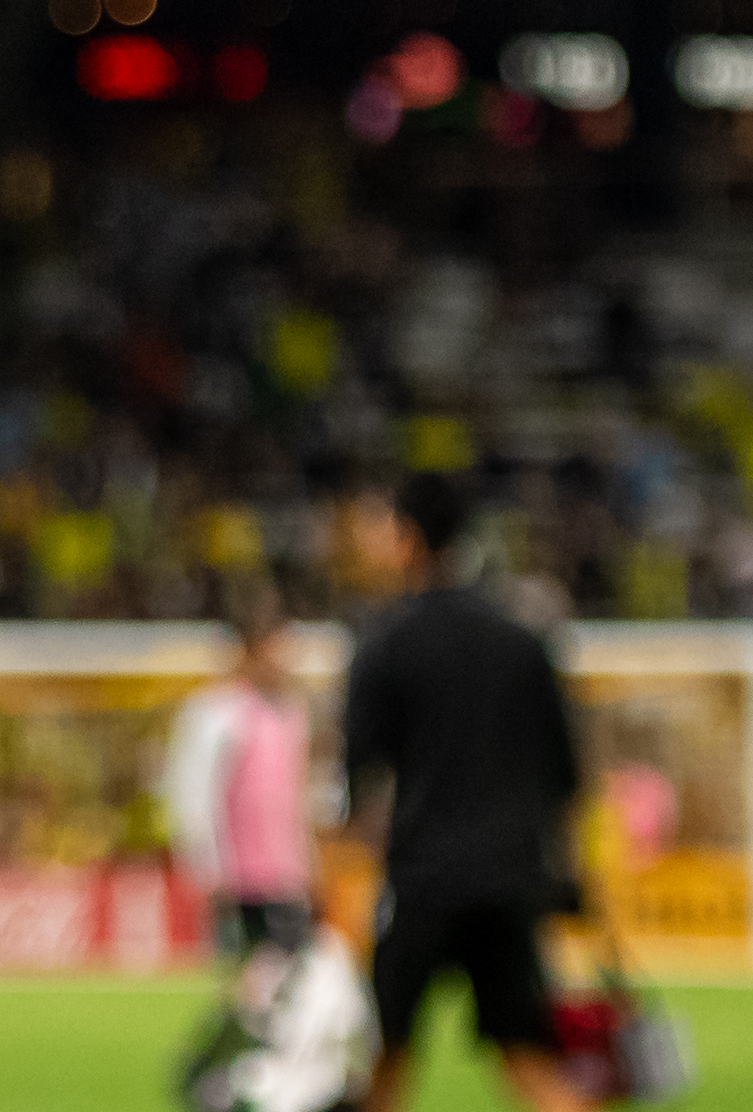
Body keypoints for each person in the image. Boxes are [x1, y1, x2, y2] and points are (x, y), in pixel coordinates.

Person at [344, 472, 588, 1112]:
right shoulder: (523, 639)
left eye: (378, 527)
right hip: (511, 878)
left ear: (407, 539)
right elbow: (565, 775)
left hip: (424, 880)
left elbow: (358, 782)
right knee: (527, 1059)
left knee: (382, 1062)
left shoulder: (386, 641)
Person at [163, 579, 313, 955]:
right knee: (248, 980)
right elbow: (192, 793)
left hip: (287, 876)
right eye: (275, 649)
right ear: (250, 651)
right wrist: (208, 867)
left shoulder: (292, 715)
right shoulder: (218, 714)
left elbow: (297, 799)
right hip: (240, 880)